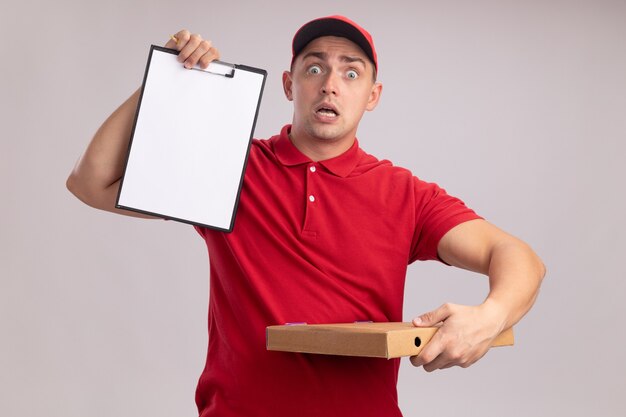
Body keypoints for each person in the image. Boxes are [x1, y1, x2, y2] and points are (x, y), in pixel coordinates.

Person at [67, 15, 545, 417]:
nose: (331, 84)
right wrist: (162, 78)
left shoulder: (405, 194)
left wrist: (489, 317)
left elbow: (517, 256)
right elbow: (91, 182)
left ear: (373, 95)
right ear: (289, 84)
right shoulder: (228, 169)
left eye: (351, 73)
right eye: (314, 67)